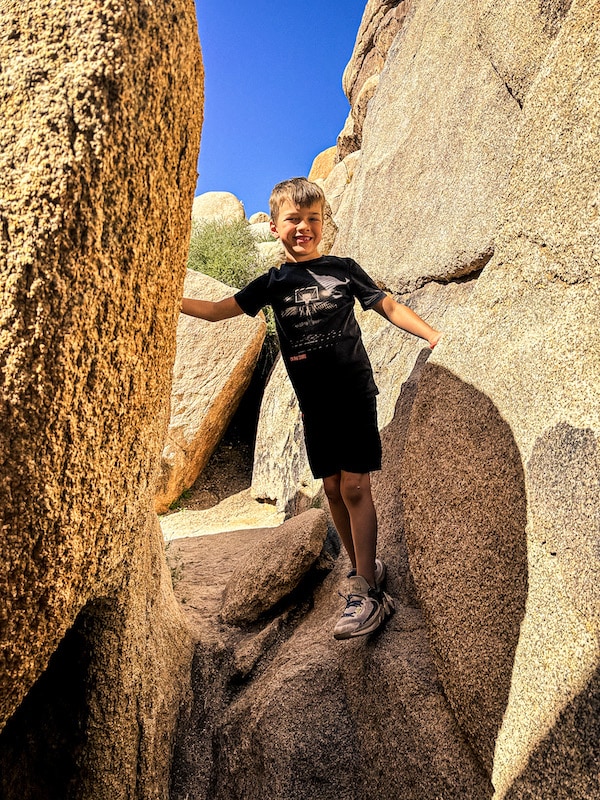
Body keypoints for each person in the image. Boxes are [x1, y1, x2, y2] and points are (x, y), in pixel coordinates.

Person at [181, 177, 442, 640]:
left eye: (312, 219)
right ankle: (364, 567)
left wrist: (433, 336)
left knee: (357, 486)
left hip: (353, 391)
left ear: (323, 223)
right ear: (276, 226)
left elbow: (386, 306)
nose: (304, 227)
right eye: (293, 220)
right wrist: (168, 301)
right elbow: (219, 310)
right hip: (314, 404)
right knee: (335, 488)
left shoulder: (343, 268)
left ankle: (366, 590)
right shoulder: (274, 282)